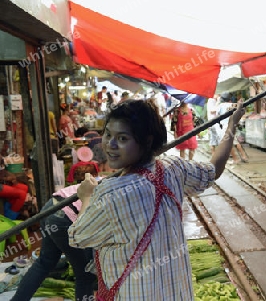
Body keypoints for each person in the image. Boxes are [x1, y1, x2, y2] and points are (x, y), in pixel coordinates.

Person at [68, 99, 245, 300]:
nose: (110, 144)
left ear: (148, 141)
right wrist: (231, 126)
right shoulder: (173, 168)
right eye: (108, 134)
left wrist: (87, 196)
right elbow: (213, 170)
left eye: (123, 138)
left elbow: (78, 237)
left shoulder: (111, 193)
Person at [11, 184, 96, 301]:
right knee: (86, 273)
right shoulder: (120, 191)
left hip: (51, 207)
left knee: (44, 262)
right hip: (66, 216)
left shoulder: (113, 182)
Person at [217, 92, 249, 164]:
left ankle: (235, 159)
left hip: (225, 127)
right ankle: (244, 156)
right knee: (236, 142)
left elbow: (217, 116)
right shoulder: (233, 105)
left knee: (229, 144)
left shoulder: (220, 106)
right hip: (233, 125)